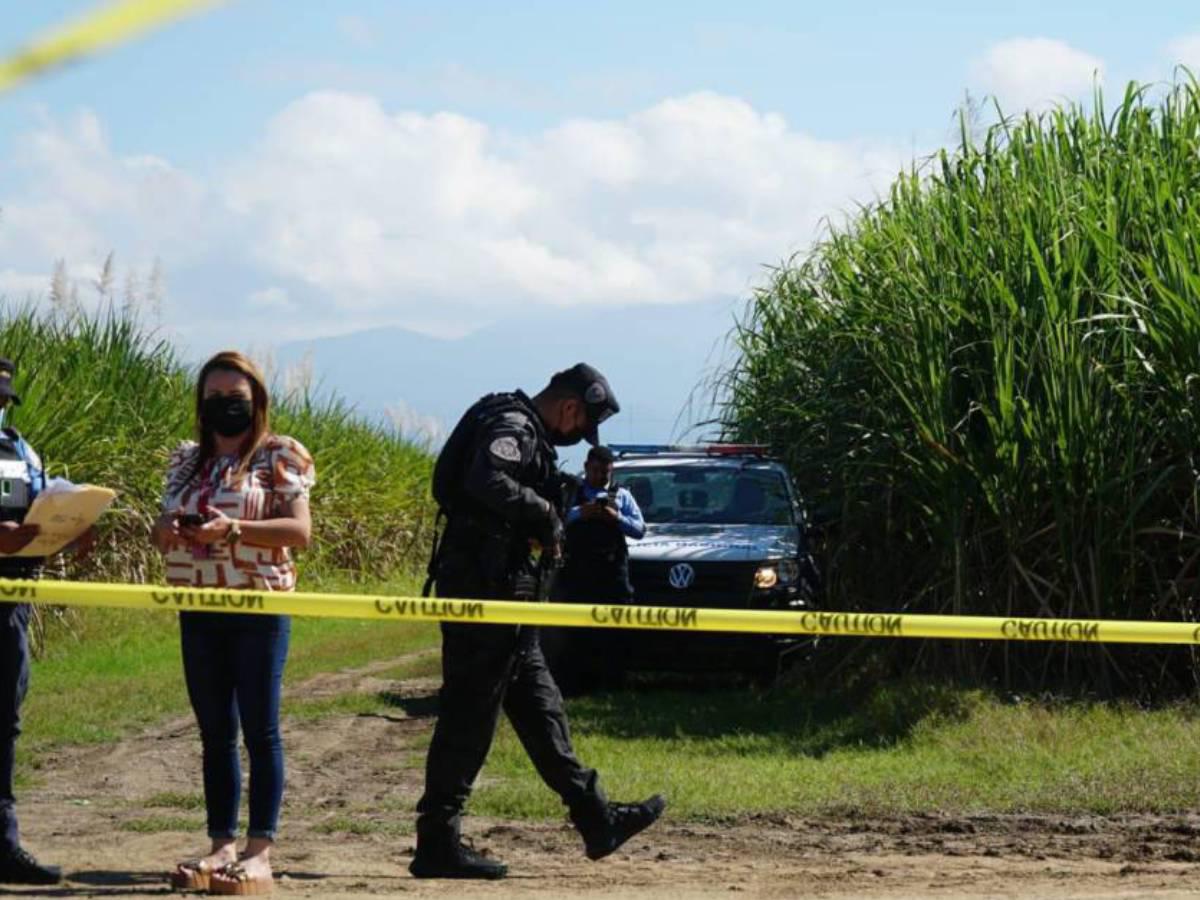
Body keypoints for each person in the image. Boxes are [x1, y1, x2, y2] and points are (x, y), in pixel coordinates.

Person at [412, 363, 666, 880]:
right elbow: (486, 479)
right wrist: (544, 514)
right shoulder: (516, 425)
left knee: (541, 709)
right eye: (579, 427)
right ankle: (437, 840)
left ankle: (598, 819)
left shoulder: (518, 424)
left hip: (509, 593)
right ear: (570, 407)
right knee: (469, 715)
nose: (575, 438)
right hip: (487, 592)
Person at [151, 351, 315, 896]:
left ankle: (259, 852)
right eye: (214, 396)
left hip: (258, 609)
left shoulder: (279, 456)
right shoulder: (185, 459)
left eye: (236, 397)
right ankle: (220, 845)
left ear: (257, 400)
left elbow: (299, 532)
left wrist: (234, 529)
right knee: (215, 733)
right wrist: (170, 526)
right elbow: (158, 529)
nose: (225, 405)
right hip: (198, 608)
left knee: (261, 730)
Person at [0, 356, 97, 886]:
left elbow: (44, 500)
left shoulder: (22, 449)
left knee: (4, 722)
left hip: (11, 605)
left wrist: (72, 525)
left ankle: (3, 843)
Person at [561, 444, 645, 604]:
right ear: (586, 467)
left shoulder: (622, 495)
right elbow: (554, 522)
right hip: (576, 576)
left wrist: (617, 518)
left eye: (605, 472)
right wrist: (580, 513)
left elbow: (640, 530)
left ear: (611, 469)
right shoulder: (571, 492)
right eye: (595, 470)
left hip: (612, 578)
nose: (599, 476)